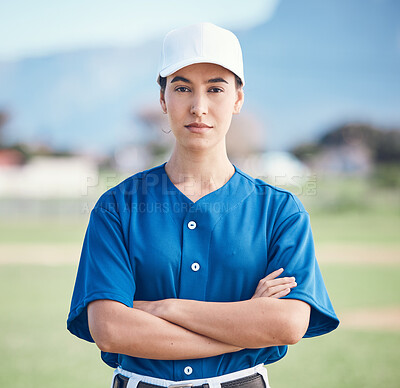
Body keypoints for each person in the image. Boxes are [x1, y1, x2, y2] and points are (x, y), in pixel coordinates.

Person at [67, 22, 339, 388]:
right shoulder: (117, 207)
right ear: (163, 99)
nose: (199, 107)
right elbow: (111, 330)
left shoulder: (279, 211)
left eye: (215, 89)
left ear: (238, 99)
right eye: (182, 88)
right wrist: (246, 322)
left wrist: (164, 308)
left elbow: (287, 324)